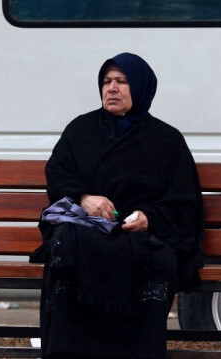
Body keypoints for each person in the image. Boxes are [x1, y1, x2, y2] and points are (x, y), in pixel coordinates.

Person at [30, 52, 205, 359]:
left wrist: (150, 217)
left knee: (159, 258)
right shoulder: (80, 130)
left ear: (141, 87)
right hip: (87, 231)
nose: (111, 88)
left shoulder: (167, 140)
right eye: (107, 81)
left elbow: (184, 203)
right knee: (68, 247)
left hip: (141, 234)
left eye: (121, 81)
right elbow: (57, 174)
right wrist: (84, 198)